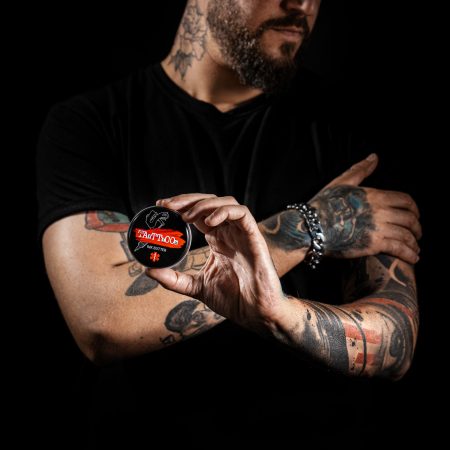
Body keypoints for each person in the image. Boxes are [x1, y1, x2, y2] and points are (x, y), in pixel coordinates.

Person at [36, 0, 421, 445]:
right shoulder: (89, 125)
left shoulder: (348, 126)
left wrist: (279, 314)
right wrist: (311, 225)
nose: (302, 5)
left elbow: (396, 341)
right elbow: (101, 321)